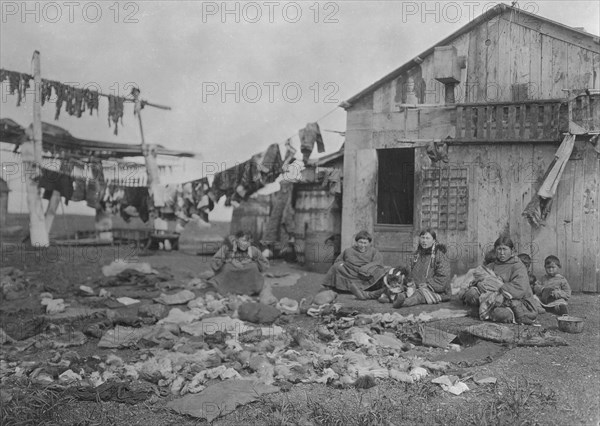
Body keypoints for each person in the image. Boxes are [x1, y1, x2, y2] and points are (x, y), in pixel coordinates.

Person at [462, 236, 538, 324]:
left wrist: (502, 295)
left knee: (500, 314)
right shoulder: (493, 265)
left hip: (517, 302)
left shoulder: (518, 266)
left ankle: (491, 313)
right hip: (492, 299)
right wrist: (478, 283)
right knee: (472, 293)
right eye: (499, 249)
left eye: (504, 249)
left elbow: (519, 287)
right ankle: (482, 310)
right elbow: (479, 277)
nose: (502, 253)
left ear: (512, 250)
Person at [391, 229, 451, 308]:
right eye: (422, 238)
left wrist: (428, 285)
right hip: (416, 286)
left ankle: (403, 303)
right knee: (398, 288)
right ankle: (391, 297)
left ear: (433, 241)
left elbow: (443, 276)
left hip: (435, 290)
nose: (424, 241)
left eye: (427, 238)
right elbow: (408, 269)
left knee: (419, 295)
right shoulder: (416, 254)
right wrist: (407, 279)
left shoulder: (440, 256)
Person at [321, 230, 387, 298]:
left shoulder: (374, 251)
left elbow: (378, 262)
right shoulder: (348, 251)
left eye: (365, 243)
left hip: (366, 273)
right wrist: (341, 264)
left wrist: (366, 268)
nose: (362, 245)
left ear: (369, 243)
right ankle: (338, 288)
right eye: (360, 242)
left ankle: (367, 290)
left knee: (380, 271)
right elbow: (338, 260)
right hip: (350, 271)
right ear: (356, 242)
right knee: (336, 267)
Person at [209, 230, 269, 296]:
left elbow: (265, 264)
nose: (246, 243)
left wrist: (253, 261)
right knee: (227, 267)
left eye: (248, 241)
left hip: (248, 285)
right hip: (227, 284)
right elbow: (214, 262)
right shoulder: (227, 248)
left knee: (253, 266)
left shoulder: (253, 250)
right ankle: (226, 291)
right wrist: (228, 259)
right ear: (237, 240)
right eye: (243, 240)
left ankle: (251, 291)